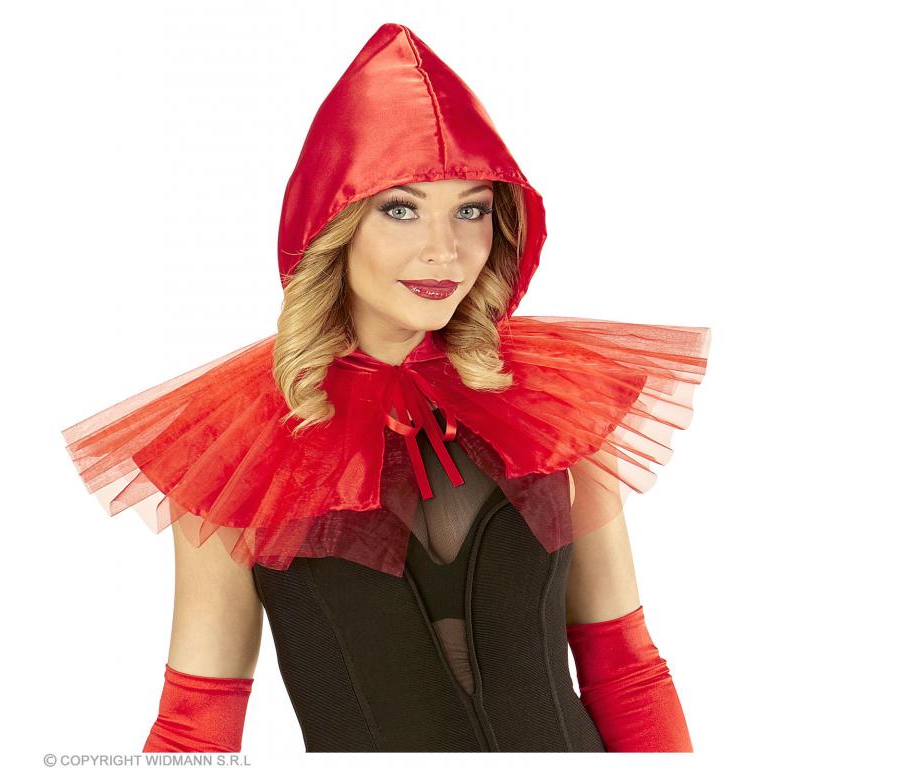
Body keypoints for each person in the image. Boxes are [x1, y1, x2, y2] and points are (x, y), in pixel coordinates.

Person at [61, 22, 711, 753]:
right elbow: (196, 725)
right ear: (332, 223)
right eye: (401, 209)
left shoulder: (550, 405)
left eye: (471, 209)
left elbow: (625, 669)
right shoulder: (238, 444)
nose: (445, 249)